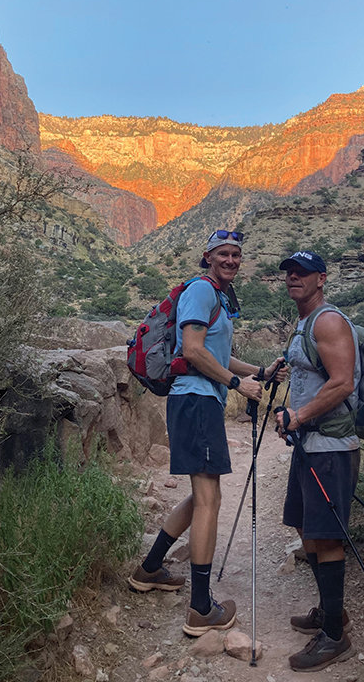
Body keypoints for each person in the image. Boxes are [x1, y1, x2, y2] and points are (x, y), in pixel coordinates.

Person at [128, 229, 286, 637]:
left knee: (203, 496)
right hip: (197, 401)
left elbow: (215, 353)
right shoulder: (201, 291)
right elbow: (193, 350)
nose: (231, 260)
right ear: (208, 257)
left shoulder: (216, 296)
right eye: (224, 254)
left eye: (236, 254)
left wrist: (258, 373)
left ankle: (149, 570)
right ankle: (200, 608)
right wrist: (237, 387)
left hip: (196, 401)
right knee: (209, 500)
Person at [274, 250, 361, 672]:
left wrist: (299, 415)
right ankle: (331, 613)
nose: (294, 278)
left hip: (330, 447)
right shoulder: (305, 323)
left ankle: (334, 637)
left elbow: (343, 382)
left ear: (321, 278)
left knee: (326, 537)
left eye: (303, 273)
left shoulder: (328, 321)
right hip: (309, 444)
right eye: (289, 272)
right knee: (304, 524)